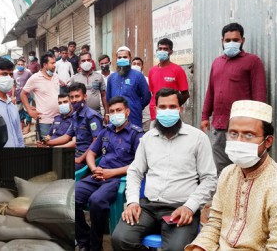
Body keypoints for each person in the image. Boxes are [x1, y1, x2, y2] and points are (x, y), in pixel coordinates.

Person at [185, 100, 277, 250]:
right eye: (233, 133)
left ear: (268, 141)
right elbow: (215, 222)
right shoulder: (228, 174)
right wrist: (199, 247)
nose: (239, 141)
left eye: (249, 135)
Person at [112, 88, 217, 251]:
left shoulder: (198, 138)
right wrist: (132, 201)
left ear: (180, 109)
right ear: (155, 109)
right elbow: (135, 172)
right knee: (121, 238)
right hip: (148, 207)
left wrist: (190, 206)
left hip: (180, 208)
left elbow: (210, 179)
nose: (167, 111)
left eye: (172, 107)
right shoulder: (147, 139)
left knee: (176, 248)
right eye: (162, 107)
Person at [75, 96, 144, 251]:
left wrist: (111, 173)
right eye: (111, 111)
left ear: (127, 112)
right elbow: (91, 154)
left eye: (118, 110)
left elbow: (139, 164)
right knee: (71, 197)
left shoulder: (136, 134)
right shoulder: (106, 132)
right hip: (97, 175)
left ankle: (95, 245)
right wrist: (93, 168)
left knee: (96, 201)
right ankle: (83, 240)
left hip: (118, 179)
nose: (114, 114)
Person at [201, 22, 267, 175]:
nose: (231, 43)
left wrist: (258, 124)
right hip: (219, 125)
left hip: (243, 128)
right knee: (221, 168)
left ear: (242, 40)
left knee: (245, 166)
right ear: (222, 41)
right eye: (228, 40)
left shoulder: (252, 61)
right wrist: (205, 116)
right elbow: (211, 91)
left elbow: (259, 94)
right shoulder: (217, 62)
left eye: (235, 40)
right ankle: (225, 196)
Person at [44, 82, 103, 171]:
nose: (74, 100)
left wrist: (80, 159)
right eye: (72, 97)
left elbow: (96, 143)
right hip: (75, 154)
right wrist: (48, 143)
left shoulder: (91, 117)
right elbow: (66, 137)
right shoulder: (75, 116)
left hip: (87, 158)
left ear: (85, 97)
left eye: (77, 96)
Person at [148, 38, 189, 128]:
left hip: (171, 116)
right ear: (157, 50)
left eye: (165, 49)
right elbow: (153, 92)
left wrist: (173, 107)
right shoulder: (152, 71)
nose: (162, 51)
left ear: (171, 52)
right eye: (160, 48)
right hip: (155, 115)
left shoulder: (178, 70)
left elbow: (185, 94)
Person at [106, 46, 151, 128]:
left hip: (133, 117)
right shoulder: (111, 78)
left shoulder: (138, 76)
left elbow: (146, 97)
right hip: (116, 117)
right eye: (119, 57)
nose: (122, 59)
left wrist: (136, 105)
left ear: (130, 58)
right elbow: (108, 98)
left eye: (125, 57)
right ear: (116, 59)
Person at [21, 53, 59, 138]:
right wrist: (29, 110)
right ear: (45, 65)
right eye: (52, 63)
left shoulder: (55, 76)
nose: (54, 65)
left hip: (58, 118)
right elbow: (23, 94)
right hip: (44, 121)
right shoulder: (35, 78)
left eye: (55, 63)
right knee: (46, 145)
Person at [70, 52, 109, 121]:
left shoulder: (99, 77)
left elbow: (104, 95)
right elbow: (70, 98)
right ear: (79, 63)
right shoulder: (74, 78)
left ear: (91, 61)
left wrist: (106, 113)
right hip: (79, 115)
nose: (86, 62)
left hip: (96, 114)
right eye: (83, 61)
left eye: (88, 60)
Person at [13, 58, 32, 134]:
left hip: (27, 95)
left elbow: (32, 82)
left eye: (22, 64)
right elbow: (13, 85)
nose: (20, 66)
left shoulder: (28, 72)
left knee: (27, 111)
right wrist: (12, 96)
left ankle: (28, 126)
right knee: (19, 111)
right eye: (19, 64)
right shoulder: (14, 73)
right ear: (16, 65)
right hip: (18, 95)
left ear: (25, 65)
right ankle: (22, 124)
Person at [132, 57, 151, 132]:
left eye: (138, 64)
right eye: (134, 64)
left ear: (142, 66)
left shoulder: (148, 80)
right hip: (133, 116)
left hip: (146, 117)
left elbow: (148, 97)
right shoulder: (128, 80)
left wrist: (139, 106)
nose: (136, 65)